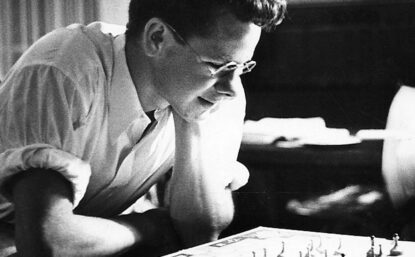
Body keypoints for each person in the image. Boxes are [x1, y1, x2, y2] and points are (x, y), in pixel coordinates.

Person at [0, 0, 287, 256]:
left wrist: (191, 119)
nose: (233, 89)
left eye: (242, 67)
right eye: (217, 65)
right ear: (156, 37)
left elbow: (201, 232)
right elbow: (47, 242)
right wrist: (146, 227)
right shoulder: (63, 69)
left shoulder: (212, 90)